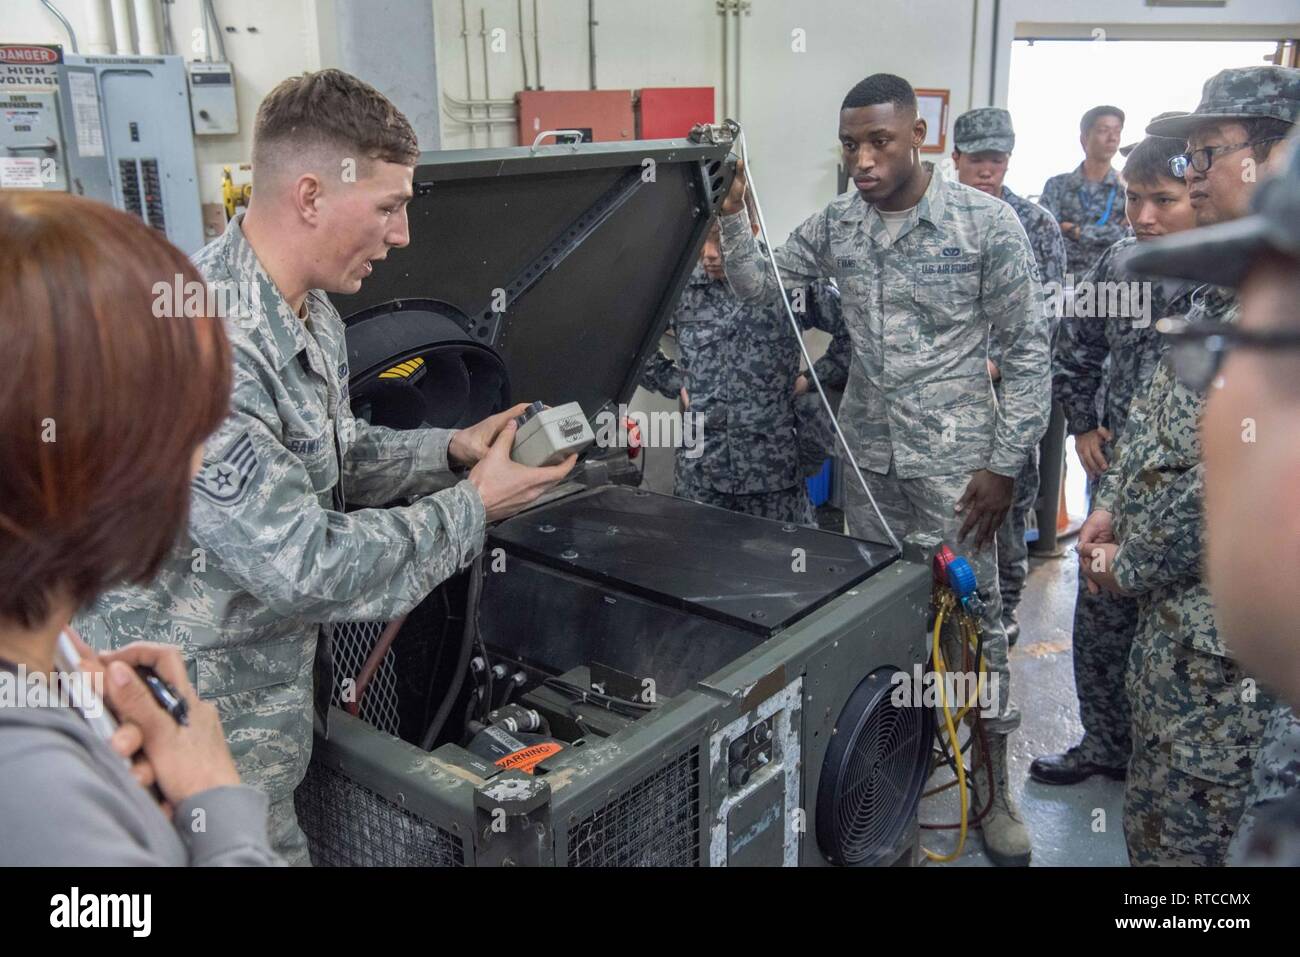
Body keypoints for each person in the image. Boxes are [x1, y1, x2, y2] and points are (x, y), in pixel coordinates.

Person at [75, 70, 576, 866]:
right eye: (387, 206)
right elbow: (305, 562)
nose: (403, 233)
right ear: (310, 195)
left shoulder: (307, 314)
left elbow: (331, 454)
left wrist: (448, 452)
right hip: (192, 739)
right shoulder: (208, 351)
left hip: (270, 710)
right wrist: (472, 507)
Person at [718, 73, 1050, 866]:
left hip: (959, 470)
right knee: (887, 629)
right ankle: (893, 793)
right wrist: (732, 217)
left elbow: (1032, 350)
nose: (863, 160)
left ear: (918, 139)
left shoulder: (986, 224)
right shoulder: (840, 224)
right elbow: (757, 284)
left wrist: (1006, 463)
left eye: (880, 142)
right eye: (851, 146)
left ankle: (997, 791)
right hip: (870, 468)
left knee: (975, 630)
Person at [0, 191, 278, 866]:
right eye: (188, 430)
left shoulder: (46, 658)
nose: (200, 456)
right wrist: (216, 803)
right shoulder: (34, 793)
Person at [1078, 65, 1298, 865]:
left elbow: (1228, 480)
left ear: (1277, 157)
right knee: (1159, 829)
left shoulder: (1282, 305)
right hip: (1170, 647)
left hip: (1227, 666)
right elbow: (1156, 419)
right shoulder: (1216, 295)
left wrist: (1126, 560)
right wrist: (1108, 502)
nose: (1192, 177)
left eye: (1209, 155)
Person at [1031, 133, 1199, 786]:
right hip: (1118, 475)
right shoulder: (1121, 266)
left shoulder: (1231, 277)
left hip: (1198, 487)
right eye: (1134, 198)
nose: (1146, 215)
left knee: (1181, 630)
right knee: (1102, 614)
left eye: (1165, 199)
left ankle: (1170, 761)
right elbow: (1077, 345)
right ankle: (1102, 740)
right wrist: (1081, 425)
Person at [640, 198, 847, 525]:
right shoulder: (680, 287)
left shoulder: (785, 280)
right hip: (702, 472)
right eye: (702, 240)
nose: (708, 253)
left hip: (774, 474)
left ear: (747, 232)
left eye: (719, 240)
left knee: (785, 567)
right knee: (696, 565)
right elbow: (633, 345)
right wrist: (676, 383)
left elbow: (856, 333)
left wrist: (811, 378)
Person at [951, 107, 1067, 645]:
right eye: (977, 160)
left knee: (1009, 507)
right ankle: (953, 606)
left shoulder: (1035, 224)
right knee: (954, 507)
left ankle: (1006, 611)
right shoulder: (940, 220)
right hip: (948, 400)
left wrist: (994, 361)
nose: (987, 170)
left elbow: (1050, 312)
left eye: (996, 160)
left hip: (1009, 397)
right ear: (956, 160)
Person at [1041, 105, 1130, 277]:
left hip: (1110, 284)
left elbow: (1126, 236)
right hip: (1062, 281)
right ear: (1084, 138)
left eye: (1117, 131)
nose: (1112, 138)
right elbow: (1046, 235)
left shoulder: (1126, 189)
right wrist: (1108, 233)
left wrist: (1076, 231)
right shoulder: (1057, 186)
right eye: (1104, 130)